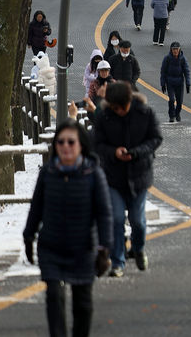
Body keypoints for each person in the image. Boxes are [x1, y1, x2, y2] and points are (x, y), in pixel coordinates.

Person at [24, 119, 113, 337]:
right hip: (51, 248)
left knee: (83, 304)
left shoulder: (93, 174)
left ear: (81, 145)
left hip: (82, 249)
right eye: (60, 142)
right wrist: (28, 236)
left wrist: (104, 249)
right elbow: (37, 206)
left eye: (71, 142)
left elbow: (104, 214)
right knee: (54, 296)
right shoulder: (48, 173)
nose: (65, 146)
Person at [92, 80, 162, 277]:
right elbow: (96, 143)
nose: (119, 111)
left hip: (139, 174)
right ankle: (117, 262)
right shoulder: (104, 117)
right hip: (113, 176)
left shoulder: (145, 112)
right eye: (115, 108)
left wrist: (137, 152)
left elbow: (156, 138)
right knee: (115, 219)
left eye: (122, 107)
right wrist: (114, 152)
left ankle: (138, 249)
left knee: (137, 221)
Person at [160, 41, 191, 122]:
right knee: (171, 100)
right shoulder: (167, 58)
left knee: (180, 101)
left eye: (177, 49)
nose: (175, 51)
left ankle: (177, 113)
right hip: (170, 82)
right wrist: (163, 84)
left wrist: (188, 83)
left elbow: (186, 71)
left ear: (179, 49)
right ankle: (171, 115)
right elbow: (163, 71)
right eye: (173, 49)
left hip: (180, 83)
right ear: (171, 50)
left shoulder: (183, 59)